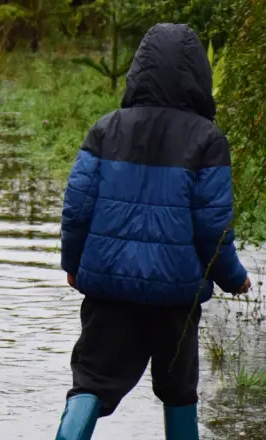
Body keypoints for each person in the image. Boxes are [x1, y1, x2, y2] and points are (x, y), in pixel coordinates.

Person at [55, 23, 251, 440]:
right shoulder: (208, 140)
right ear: (199, 76)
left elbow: (76, 209)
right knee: (179, 392)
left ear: (139, 70)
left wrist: (72, 264)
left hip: (109, 292)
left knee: (90, 382)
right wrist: (233, 278)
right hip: (175, 298)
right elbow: (212, 226)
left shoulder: (106, 129)